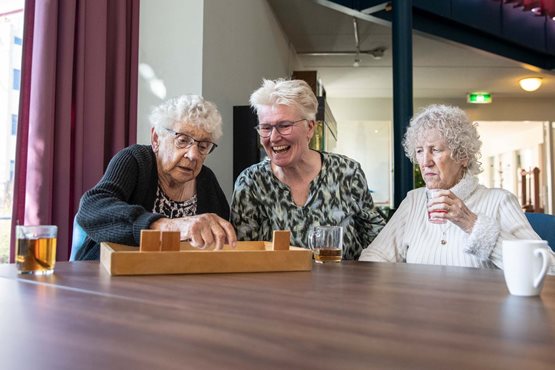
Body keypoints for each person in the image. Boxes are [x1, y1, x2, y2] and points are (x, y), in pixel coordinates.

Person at [359, 104, 545, 270]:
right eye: (419, 151)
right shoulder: (414, 201)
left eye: (436, 150)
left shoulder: (499, 201)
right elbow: (375, 256)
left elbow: (546, 267)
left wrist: (472, 224)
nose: (425, 162)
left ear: (462, 156)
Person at [231, 79, 384, 260]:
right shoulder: (251, 182)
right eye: (266, 128)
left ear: (310, 127)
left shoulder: (347, 172)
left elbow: (378, 239)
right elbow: (243, 255)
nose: (273, 138)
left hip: (343, 285)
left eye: (284, 126)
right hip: (276, 287)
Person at [73, 95, 236, 260]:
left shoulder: (206, 181)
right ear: (156, 138)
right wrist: (167, 226)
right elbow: (91, 208)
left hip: (173, 278)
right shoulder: (135, 160)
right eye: (182, 140)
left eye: (203, 146)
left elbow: (222, 244)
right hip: (107, 270)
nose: (193, 155)